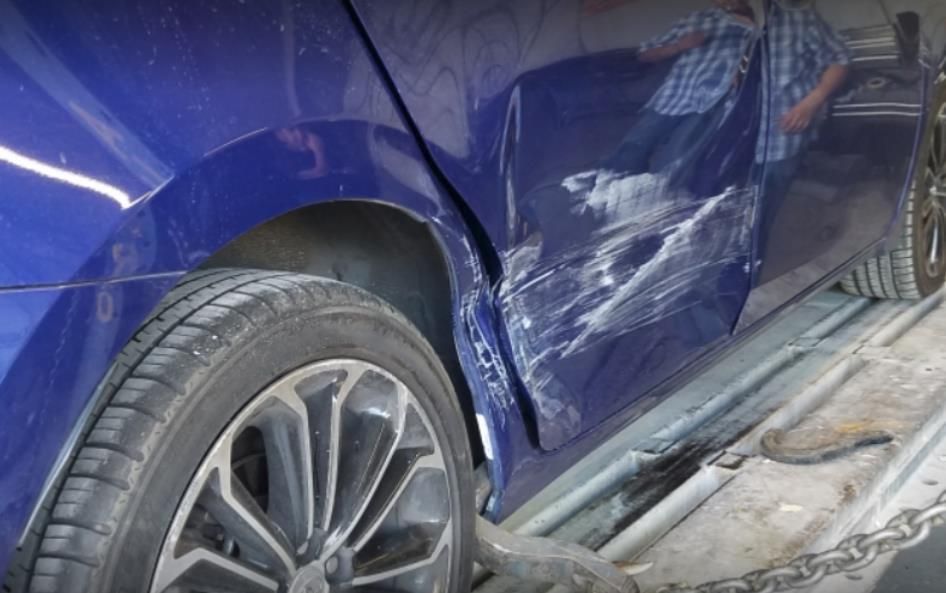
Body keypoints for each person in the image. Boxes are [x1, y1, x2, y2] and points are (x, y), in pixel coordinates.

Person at [606, 0, 759, 175]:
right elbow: (644, 54)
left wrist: (743, 70)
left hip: (713, 103)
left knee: (674, 160)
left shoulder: (760, 26)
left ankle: (657, 189)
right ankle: (608, 185)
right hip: (675, 96)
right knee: (630, 150)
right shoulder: (697, 19)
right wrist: (679, 46)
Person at [756, 0, 851, 261]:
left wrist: (811, 103)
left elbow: (840, 60)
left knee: (770, 206)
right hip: (731, 136)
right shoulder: (718, 26)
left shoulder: (799, 20)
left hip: (781, 131)